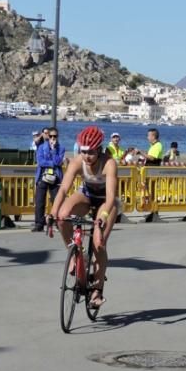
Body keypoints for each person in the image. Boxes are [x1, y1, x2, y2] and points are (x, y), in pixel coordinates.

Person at [50, 126, 118, 309]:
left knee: (98, 242)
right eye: (83, 151)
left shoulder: (109, 163)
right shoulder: (77, 162)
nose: (87, 156)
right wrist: (53, 212)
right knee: (63, 217)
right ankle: (75, 256)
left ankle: (97, 289)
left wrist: (103, 215)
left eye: (91, 152)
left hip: (106, 202)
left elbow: (111, 196)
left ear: (99, 150)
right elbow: (63, 189)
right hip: (87, 196)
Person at [33, 128, 66, 232]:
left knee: (56, 201)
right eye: (50, 136)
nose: (52, 138)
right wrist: (52, 163)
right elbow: (41, 162)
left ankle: (57, 222)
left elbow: (59, 161)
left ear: (57, 137)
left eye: (54, 136)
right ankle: (39, 223)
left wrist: (53, 150)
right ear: (47, 137)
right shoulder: (41, 147)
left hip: (55, 177)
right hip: (42, 176)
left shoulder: (61, 148)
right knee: (39, 201)